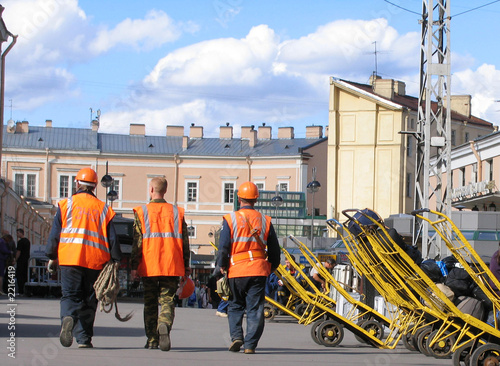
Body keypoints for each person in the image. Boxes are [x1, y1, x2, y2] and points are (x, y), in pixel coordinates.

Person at [46, 167, 121, 348]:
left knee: (70, 296)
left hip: (69, 259)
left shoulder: (66, 205)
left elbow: (55, 234)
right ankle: (84, 339)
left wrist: (51, 256)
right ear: (95, 186)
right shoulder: (103, 208)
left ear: (77, 183)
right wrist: (116, 259)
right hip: (95, 262)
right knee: (89, 300)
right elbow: (112, 237)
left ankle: (68, 318)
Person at [216, 181, 280, 354]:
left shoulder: (230, 219)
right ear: (256, 200)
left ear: (239, 198)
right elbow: (275, 250)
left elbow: (223, 247)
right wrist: (271, 267)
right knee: (255, 308)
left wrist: (221, 266)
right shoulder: (265, 221)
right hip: (258, 270)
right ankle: (250, 345)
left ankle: (236, 337)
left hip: (236, 270)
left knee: (235, 305)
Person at [130, 177, 191, 351]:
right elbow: (185, 242)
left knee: (149, 303)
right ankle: (164, 323)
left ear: (151, 190)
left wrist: (134, 266)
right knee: (167, 301)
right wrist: (186, 265)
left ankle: (151, 340)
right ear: (165, 191)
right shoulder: (176, 212)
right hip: (171, 265)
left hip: (149, 265)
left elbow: (137, 242)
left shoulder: (142, 212)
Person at [15, 229, 31, 296]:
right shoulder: (27, 241)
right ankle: (26, 291)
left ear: (21, 233)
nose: (17, 234)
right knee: (25, 275)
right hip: (26, 260)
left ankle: (20, 291)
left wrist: (15, 259)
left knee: (19, 275)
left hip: (21, 260)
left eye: (18, 233)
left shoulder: (20, 242)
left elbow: (18, 251)